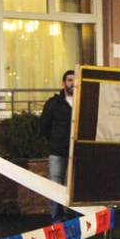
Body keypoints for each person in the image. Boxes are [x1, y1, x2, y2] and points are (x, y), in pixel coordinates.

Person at [40, 69, 76, 224]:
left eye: (75, 80)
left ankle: (74, 218)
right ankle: (58, 219)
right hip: (58, 151)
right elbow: (44, 126)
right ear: (63, 83)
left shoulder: (83, 102)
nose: (73, 83)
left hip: (77, 151)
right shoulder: (54, 103)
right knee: (55, 185)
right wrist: (55, 140)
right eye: (69, 80)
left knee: (75, 187)